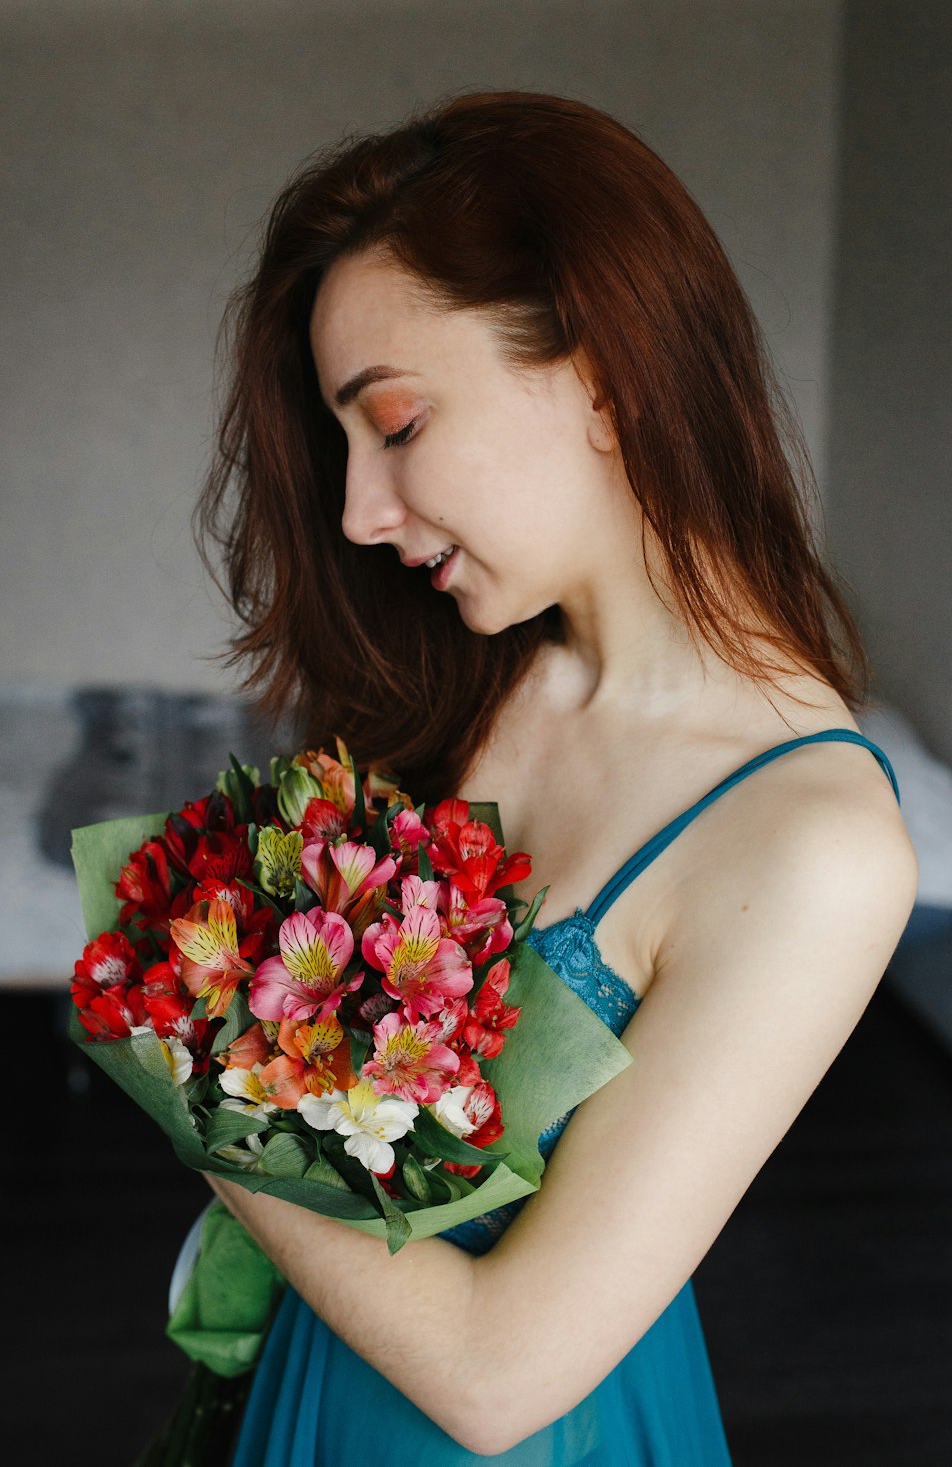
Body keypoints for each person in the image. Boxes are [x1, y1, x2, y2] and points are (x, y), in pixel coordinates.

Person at [194, 90, 917, 1464]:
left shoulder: (813, 842)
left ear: (603, 375)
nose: (358, 512)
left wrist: (208, 1090)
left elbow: (498, 1376)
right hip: (318, 1375)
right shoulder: (474, 681)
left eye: (395, 423)